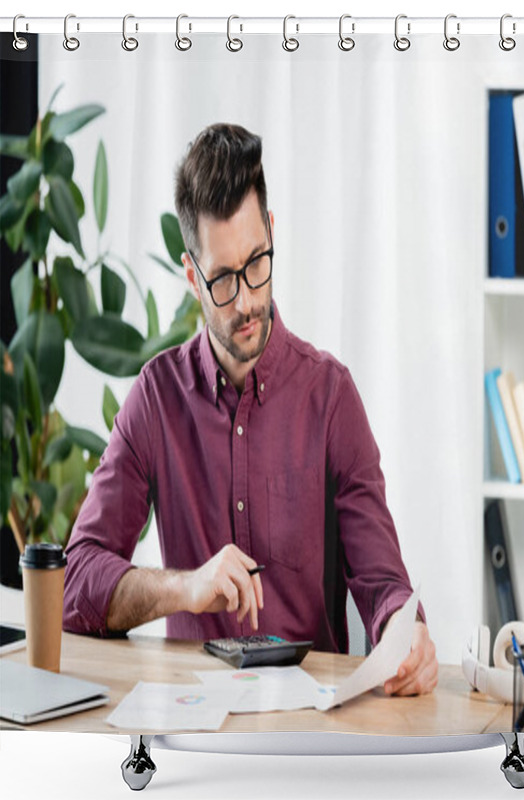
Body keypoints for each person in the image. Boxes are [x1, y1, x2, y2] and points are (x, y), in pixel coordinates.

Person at [63, 123, 437, 696]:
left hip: (313, 734)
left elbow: (382, 580)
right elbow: (76, 582)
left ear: (270, 232)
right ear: (192, 276)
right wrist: (186, 588)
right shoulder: (156, 399)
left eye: (257, 262)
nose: (246, 300)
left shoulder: (331, 397)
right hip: (192, 731)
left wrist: (404, 634)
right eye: (221, 279)